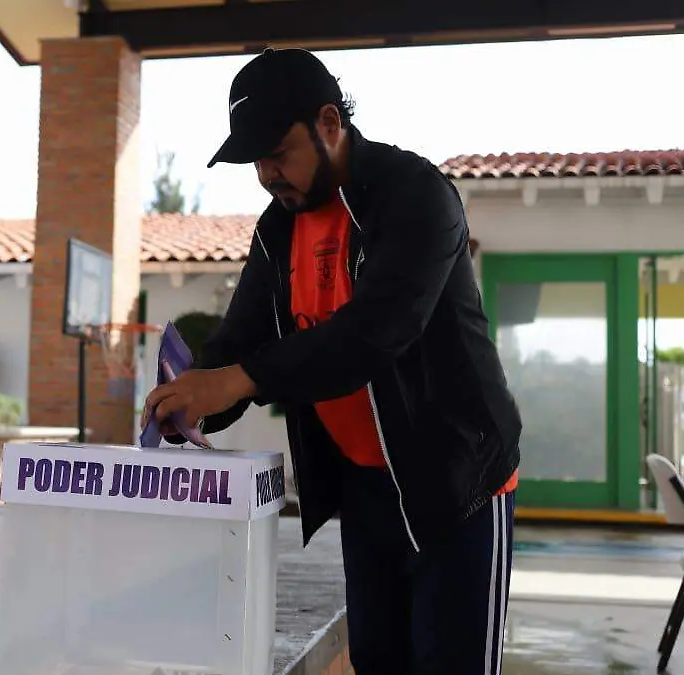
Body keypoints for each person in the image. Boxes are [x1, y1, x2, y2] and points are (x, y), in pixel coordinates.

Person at [141, 47, 522, 675]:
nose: (267, 173)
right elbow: (242, 337)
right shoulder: (279, 226)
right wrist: (191, 405)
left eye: (277, 151)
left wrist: (238, 379)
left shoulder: (415, 195)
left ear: (328, 123)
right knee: (377, 662)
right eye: (255, 160)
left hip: (459, 486)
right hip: (366, 490)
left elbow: (377, 332)